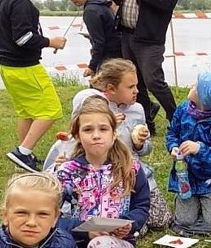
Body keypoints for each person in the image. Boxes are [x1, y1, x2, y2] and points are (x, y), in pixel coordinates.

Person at [43, 58, 172, 231]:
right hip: (98, 176)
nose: (137, 91)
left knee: (161, 220)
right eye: (130, 87)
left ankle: (126, 220)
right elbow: (77, 140)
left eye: (136, 85)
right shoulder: (91, 105)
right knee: (96, 215)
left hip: (129, 173)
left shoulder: (138, 109)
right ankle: (105, 219)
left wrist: (140, 144)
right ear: (111, 89)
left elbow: (145, 150)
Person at [56, 97, 150, 248]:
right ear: (77, 135)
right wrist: (83, 232)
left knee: (100, 246)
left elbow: (142, 206)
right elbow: (51, 218)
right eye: (88, 129)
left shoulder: (130, 167)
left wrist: (130, 223)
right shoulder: (67, 173)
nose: (96, 135)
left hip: (120, 244)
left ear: (114, 133)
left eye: (103, 129)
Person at [0, 0, 67, 172]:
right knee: (51, 109)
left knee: (26, 111)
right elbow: (23, 38)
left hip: (8, 67)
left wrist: (42, 41)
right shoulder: (21, 2)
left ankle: (25, 155)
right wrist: (49, 41)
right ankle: (23, 151)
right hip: (24, 67)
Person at [117, 0, 181, 136]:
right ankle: (146, 124)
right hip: (127, 34)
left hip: (149, 39)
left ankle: (177, 120)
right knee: (136, 83)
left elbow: (166, 2)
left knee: (153, 80)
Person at [166, 71, 211, 228]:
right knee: (184, 221)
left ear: (204, 100)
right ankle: (188, 202)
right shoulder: (182, 110)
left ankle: (208, 202)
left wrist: (200, 149)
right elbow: (172, 133)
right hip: (186, 178)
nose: (192, 86)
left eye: (196, 87)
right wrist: (172, 147)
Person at [65, 0, 121, 77]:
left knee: (98, 88)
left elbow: (99, 42)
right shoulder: (100, 2)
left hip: (108, 56)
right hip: (118, 51)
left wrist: (92, 66)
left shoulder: (91, 11)